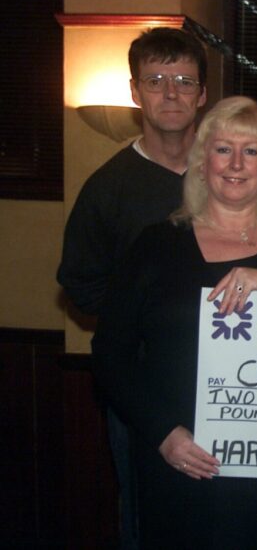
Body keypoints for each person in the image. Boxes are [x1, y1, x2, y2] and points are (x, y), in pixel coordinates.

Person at [91, 96, 257, 548]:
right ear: (201, 161)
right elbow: (110, 353)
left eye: (251, 150)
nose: (236, 163)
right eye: (223, 148)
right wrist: (161, 432)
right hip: (177, 464)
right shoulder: (155, 245)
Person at [56, 27, 208, 549]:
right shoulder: (108, 187)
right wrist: (140, 321)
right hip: (142, 388)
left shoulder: (227, 175)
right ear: (134, 91)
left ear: (202, 95)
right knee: (146, 521)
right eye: (157, 80)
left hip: (225, 383)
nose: (171, 93)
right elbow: (79, 282)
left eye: (184, 81)